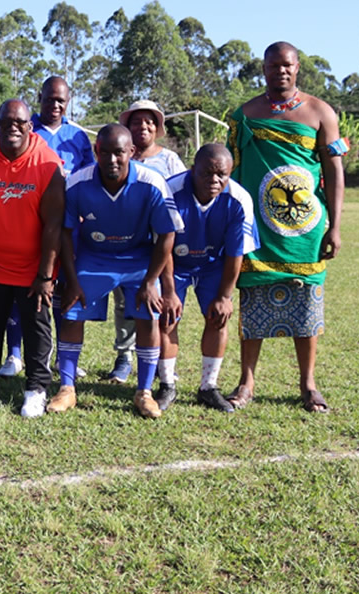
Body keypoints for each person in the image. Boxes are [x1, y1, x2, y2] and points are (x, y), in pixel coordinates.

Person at [225, 41, 346, 413]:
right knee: (254, 300)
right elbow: (233, 171)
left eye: (288, 65)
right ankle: (246, 382)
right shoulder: (244, 115)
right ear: (263, 69)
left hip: (305, 230)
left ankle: (308, 384)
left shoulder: (321, 113)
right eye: (274, 65)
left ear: (297, 69)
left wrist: (336, 227)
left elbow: (333, 171)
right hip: (258, 229)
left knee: (307, 304)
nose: (281, 71)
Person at [52, 124, 183, 419]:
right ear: (96, 151)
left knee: (149, 312)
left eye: (119, 153)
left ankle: (144, 391)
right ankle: (67, 388)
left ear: (132, 153)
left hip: (138, 258)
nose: (112, 159)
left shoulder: (152, 182)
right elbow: (66, 232)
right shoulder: (78, 182)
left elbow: (166, 235)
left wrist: (152, 281)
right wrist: (71, 280)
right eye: (105, 152)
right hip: (94, 256)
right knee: (70, 310)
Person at [0, 99, 65, 417]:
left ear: (29, 126)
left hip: (34, 268)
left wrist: (46, 275)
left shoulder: (47, 163)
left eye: (20, 122)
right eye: (6, 122)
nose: (13, 127)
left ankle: (36, 388)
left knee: (36, 329)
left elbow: (54, 225)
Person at [1, 76, 96, 379]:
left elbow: (90, 175)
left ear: (68, 102)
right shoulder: (27, 129)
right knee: (21, 287)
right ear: (39, 97)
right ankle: (14, 354)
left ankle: (61, 356)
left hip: (68, 226)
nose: (54, 105)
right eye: (49, 99)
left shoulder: (78, 136)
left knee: (62, 287)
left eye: (61, 100)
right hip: (27, 221)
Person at [156, 144, 259, 412]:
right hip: (174, 264)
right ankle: (167, 385)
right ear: (193, 170)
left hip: (214, 265)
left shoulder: (239, 199)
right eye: (206, 173)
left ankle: (208, 387)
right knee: (167, 319)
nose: (214, 180)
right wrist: (168, 291)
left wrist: (225, 296)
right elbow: (162, 245)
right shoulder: (170, 191)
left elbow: (236, 252)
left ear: (230, 173)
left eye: (221, 175)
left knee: (218, 318)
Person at [101, 100, 190, 385]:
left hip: (162, 244)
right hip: (126, 242)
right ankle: (124, 357)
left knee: (160, 300)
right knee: (125, 302)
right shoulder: (117, 157)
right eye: (137, 121)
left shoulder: (170, 160)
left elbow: (180, 198)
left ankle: (161, 363)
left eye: (149, 121)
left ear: (157, 127)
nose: (143, 126)